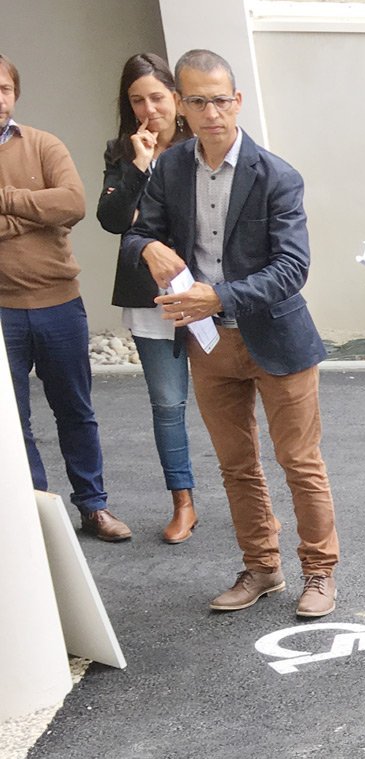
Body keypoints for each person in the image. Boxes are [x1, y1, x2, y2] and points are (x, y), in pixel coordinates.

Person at [125, 49, 339, 617]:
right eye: (196, 100)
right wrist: (147, 246)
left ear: (237, 101)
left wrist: (219, 295)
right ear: (181, 106)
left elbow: (292, 269)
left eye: (220, 99)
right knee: (236, 464)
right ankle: (262, 567)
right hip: (208, 342)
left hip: (276, 338)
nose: (210, 111)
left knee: (299, 462)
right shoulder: (171, 169)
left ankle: (319, 573)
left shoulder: (276, 175)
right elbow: (135, 232)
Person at [0, 53, 130, 541]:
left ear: (15, 93)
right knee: (12, 421)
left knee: (75, 410)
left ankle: (94, 506)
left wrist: (7, 200)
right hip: (2, 311)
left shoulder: (42, 145)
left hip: (58, 303)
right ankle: (38, 516)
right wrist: (36, 213)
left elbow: (73, 203)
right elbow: (52, 209)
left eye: (5, 89)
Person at [96, 52, 197, 544]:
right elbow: (115, 220)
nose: (148, 109)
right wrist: (139, 165)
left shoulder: (203, 146)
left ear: (176, 99)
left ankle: (253, 500)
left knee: (233, 400)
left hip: (204, 288)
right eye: (137, 100)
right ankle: (183, 502)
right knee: (167, 402)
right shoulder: (122, 152)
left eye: (157, 97)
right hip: (149, 295)